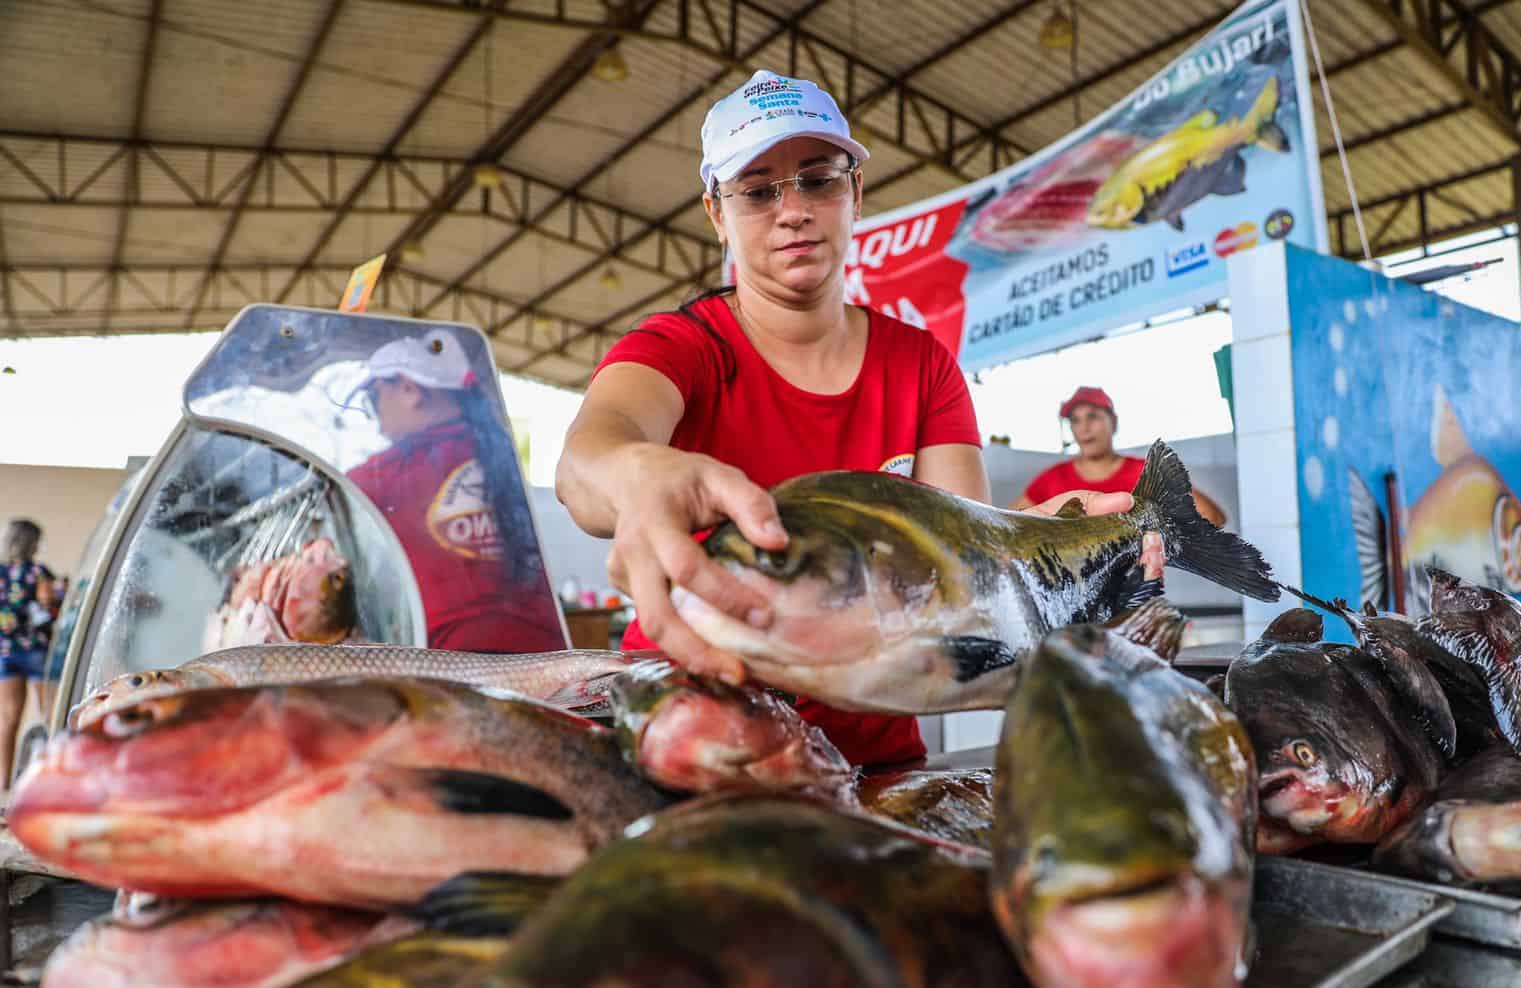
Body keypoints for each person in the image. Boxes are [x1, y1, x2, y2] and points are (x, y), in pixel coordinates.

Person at [556, 70, 1160, 767]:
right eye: (757, 191)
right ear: (717, 214)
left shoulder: (921, 365)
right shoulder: (683, 347)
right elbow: (586, 460)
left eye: (819, 179)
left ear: (856, 193)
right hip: (694, 742)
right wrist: (632, 473)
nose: (793, 211)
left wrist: (1047, 535)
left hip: (875, 765)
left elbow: (963, 555)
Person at [346, 330, 566, 653]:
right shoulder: (498, 453)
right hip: (545, 653)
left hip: (455, 665)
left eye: (375, 398)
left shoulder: (385, 474)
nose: (376, 416)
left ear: (409, 389)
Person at [1011, 386, 1228, 527]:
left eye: (1093, 416)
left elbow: (1212, 518)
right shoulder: (1052, 478)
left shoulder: (1144, 472)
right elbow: (1008, 524)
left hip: (1136, 593)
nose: (1084, 427)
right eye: (1075, 421)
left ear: (1113, 422)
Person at [0, 519, 54, 785]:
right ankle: (49, 775)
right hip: (36, 648)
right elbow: (49, 603)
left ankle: (3, 783)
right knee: (48, 715)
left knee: (8, 719)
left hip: (6, 650)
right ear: (30, 542)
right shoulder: (38, 571)